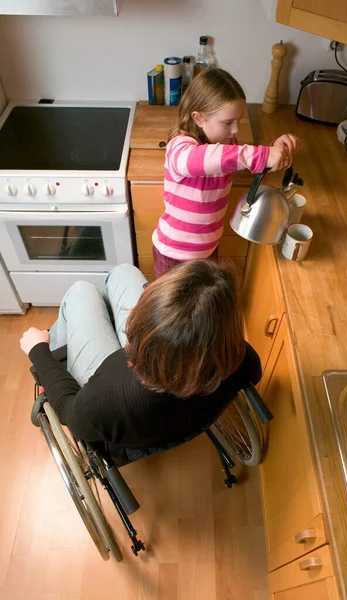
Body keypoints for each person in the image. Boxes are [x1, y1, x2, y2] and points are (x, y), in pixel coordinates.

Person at [20, 262, 262, 462]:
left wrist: (38, 350)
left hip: (126, 412)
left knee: (80, 291)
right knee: (123, 271)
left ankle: (57, 346)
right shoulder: (239, 357)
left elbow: (66, 410)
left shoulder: (107, 398)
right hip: (175, 406)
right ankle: (99, 313)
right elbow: (255, 374)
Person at [152, 68, 301, 278]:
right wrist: (262, 155)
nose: (235, 130)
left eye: (239, 120)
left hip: (208, 250)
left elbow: (243, 160)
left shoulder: (226, 144)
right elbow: (210, 158)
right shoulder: (180, 147)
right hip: (175, 255)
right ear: (198, 118)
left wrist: (274, 149)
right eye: (227, 122)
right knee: (174, 312)